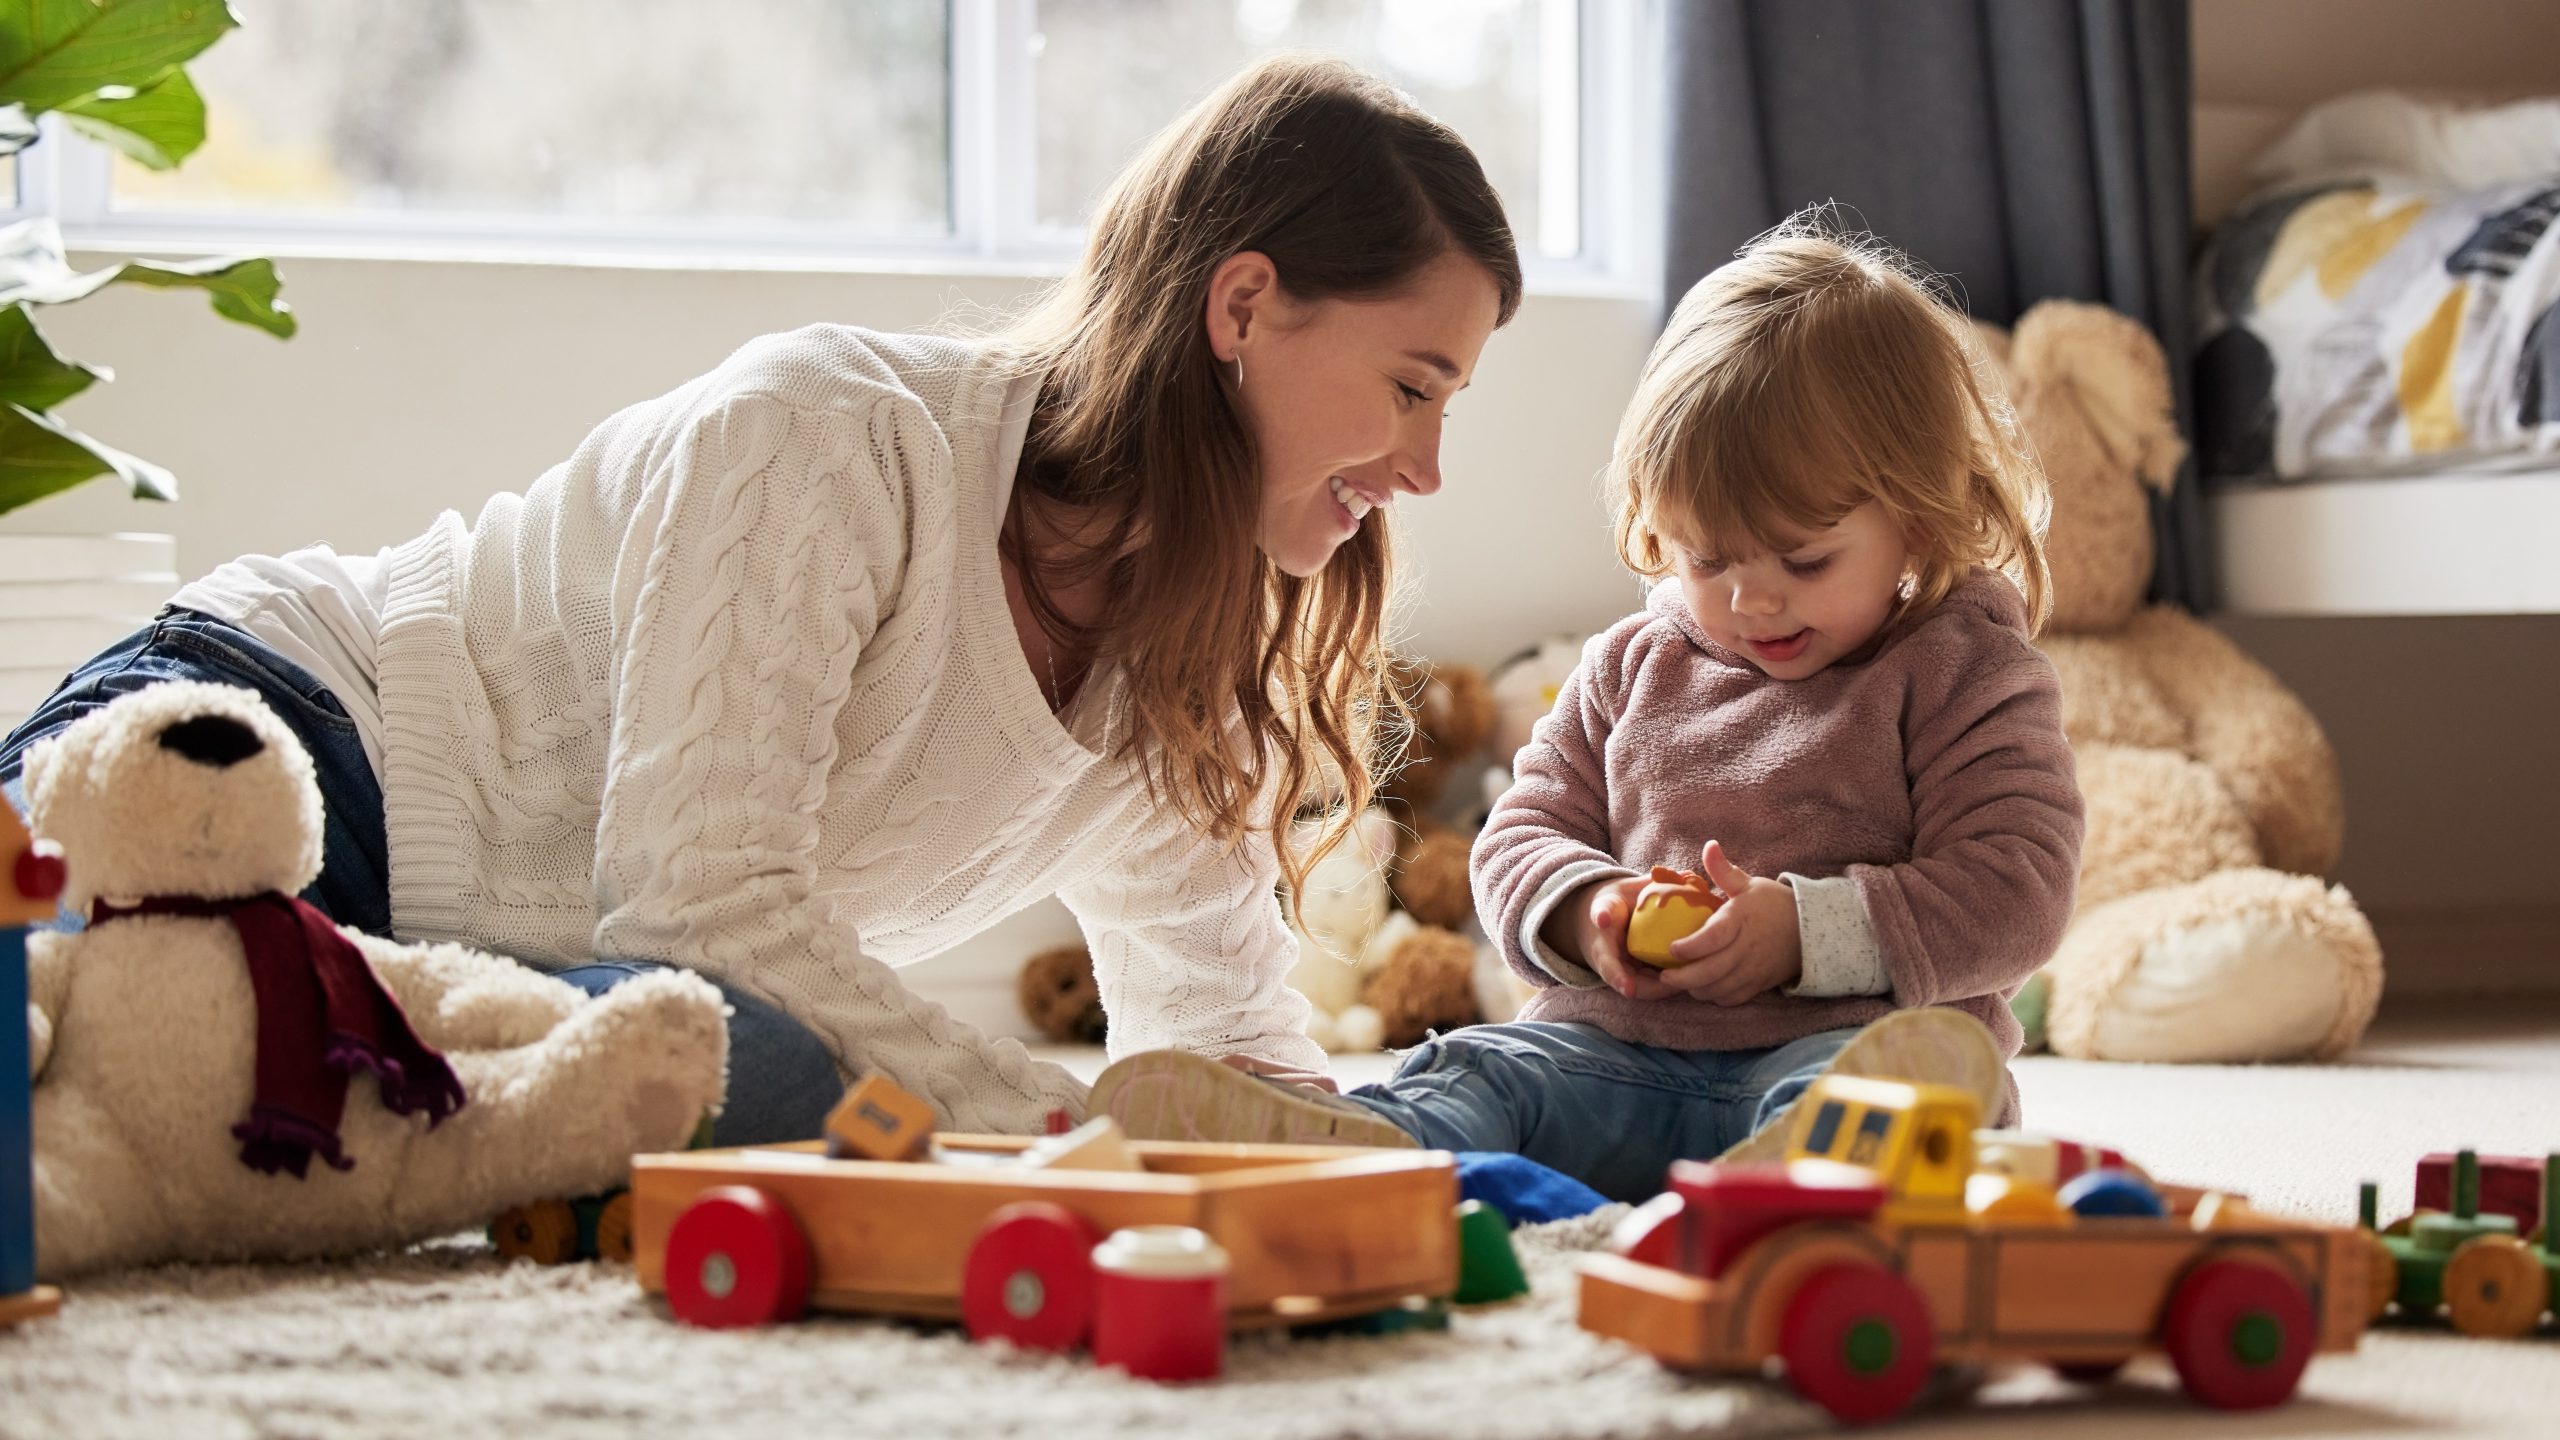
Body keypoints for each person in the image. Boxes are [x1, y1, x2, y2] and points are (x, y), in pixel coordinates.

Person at [0, 55, 1522, 1145]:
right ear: (1243, 307)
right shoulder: (835, 434)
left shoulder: (1202, 657)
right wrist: (1051, 1125)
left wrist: (1352, 1160)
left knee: (761, 1085)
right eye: (1411, 386)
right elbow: (702, 908)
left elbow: (1214, 1044)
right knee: (71, 1045)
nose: (1428, 466)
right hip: (292, 740)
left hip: (505, 990)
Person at [1091, 224, 2086, 1203]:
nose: (1750, 601)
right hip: (1612, 1060)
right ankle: (1352, 1153)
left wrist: (1801, 933)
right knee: (1481, 1068)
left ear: (1917, 512)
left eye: (1803, 559)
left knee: (1907, 1081)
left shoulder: (1963, 667)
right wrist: (1587, 911)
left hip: (1832, 1064)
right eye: (1706, 559)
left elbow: (2014, 890)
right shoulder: (1632, 665)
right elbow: (1518, 837)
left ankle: (1786, 1190)